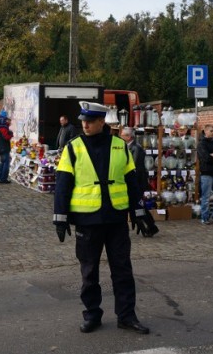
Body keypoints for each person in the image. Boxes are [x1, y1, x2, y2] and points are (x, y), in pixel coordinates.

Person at [53, 101, 153, 335]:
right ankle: (92, 315)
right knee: (89, 273)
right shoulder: (72, 148)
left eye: (89, 121)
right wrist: (60, 218)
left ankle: (127, 316)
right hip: (87, 222)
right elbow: (62, 186)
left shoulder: (120, 147)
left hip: (116, 220)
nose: (85, 125)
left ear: (101, 122)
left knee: (123, 271)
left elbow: (132, 182)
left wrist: (139, 212)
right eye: (83, 121)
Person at [119, 127, 149, 192]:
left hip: (137, 182)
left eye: (122, 135)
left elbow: (133, 165)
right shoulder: (128, 146)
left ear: (129, 137)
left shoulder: (136, 148)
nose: (121, 137)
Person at [0, 112, 13, 184]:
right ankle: (3, 179)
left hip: (0, 148)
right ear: (5, 120)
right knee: (6, 164)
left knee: (2, 163)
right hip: (4, 148)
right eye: (9, 120)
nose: (10, 122)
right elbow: (6, 137)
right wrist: (11, 134)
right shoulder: (3, 128)